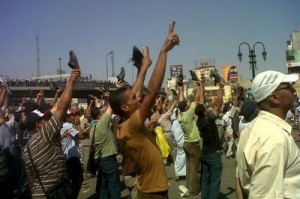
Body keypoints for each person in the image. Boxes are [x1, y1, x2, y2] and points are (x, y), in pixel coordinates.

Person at [109, 21, 179, 198]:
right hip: (152, 194)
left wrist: (143, 69)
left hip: (154, 190)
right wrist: (163, 51)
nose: (138, 97)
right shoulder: (130, 125)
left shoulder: (127, 122)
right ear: (125, 107)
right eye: (134, 98)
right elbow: (152, 91)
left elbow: (136, 93)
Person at [236, 70, 300, 198]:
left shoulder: (250, 129)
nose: (293, 90)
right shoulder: (275, 140)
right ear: (274, 98)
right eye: (288, 86)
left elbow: (239, 180)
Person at [23, 68, 80, 198]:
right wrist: (71, 81)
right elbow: (61, 108)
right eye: (44, 119)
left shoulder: (26, 149)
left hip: (40, 194)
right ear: (38, 125)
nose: (47, 120)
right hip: (56, 192)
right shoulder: (44, 135)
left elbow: (31, 179)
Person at [195, 78, 225, 199]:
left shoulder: (199, 121)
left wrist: (201, 86)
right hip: (213, 154)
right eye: (206, 109)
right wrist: (221, 87)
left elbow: (201, 103)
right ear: (205, 112)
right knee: (215, 180)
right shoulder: (209, 120)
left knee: (205, 179)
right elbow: (218, 104)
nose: (208, 108)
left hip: (205, 153)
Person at [89, 103, 121, 199]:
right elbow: (111, 107)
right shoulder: (101, 124)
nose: (104, 113)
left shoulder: (92, 128)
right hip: (108, 158)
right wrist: (114, 94)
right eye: (102, 113)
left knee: (102, 185)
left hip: (99, 159)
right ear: (99, 116)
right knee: (114, 185)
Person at [177, 80, 202, 196]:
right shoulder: (189, 113)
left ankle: (188, 185)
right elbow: (196, 100)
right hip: (193, 144)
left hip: (186, 143)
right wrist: (198, 86)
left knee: (189, 167)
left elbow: (180, 103)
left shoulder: (180, 115)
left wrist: (180, 89)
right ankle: (193, 190)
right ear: (186, 107)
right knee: (195, 168)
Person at [60, 109, 85, 199]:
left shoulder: (70, 125)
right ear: (67, 118)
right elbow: (81, 136)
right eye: (72, 115)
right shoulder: (67, 126)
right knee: (76, 181)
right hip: (71, 158)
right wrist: (78, 124)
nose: (74, 117)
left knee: (78, 181)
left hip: (72, 157)